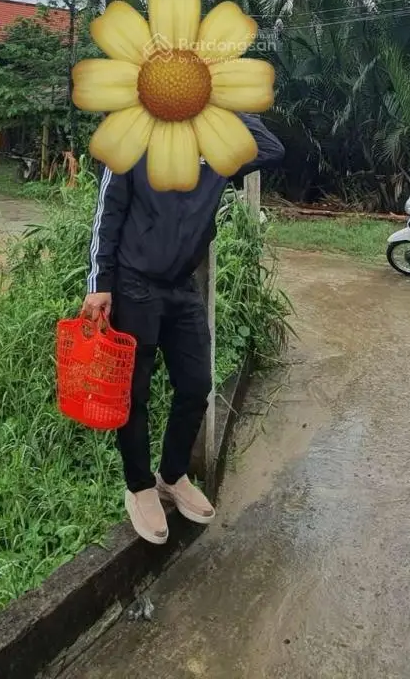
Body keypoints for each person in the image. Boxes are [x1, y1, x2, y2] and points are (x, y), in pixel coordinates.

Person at [82, 113, 286, 543]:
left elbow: (271, 149)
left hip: (182, 288)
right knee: (132, 394)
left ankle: (172, 475)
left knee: (196, 384)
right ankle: (139, 487)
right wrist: (99, 284)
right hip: (135, 286)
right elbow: (108, 214)